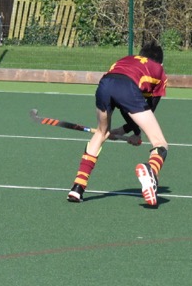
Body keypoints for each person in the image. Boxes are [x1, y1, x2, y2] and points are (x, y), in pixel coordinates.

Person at [67, 40, 169, 205]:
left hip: (104, 85)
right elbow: (148, 109)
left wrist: (123, 131)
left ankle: (78, 187)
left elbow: (123, 104)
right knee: (160, 143)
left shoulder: (126, 60)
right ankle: (151, 170)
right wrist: (137, 133)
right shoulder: (159, 71)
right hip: (128, 88)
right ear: (161, 63)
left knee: (101, 133)